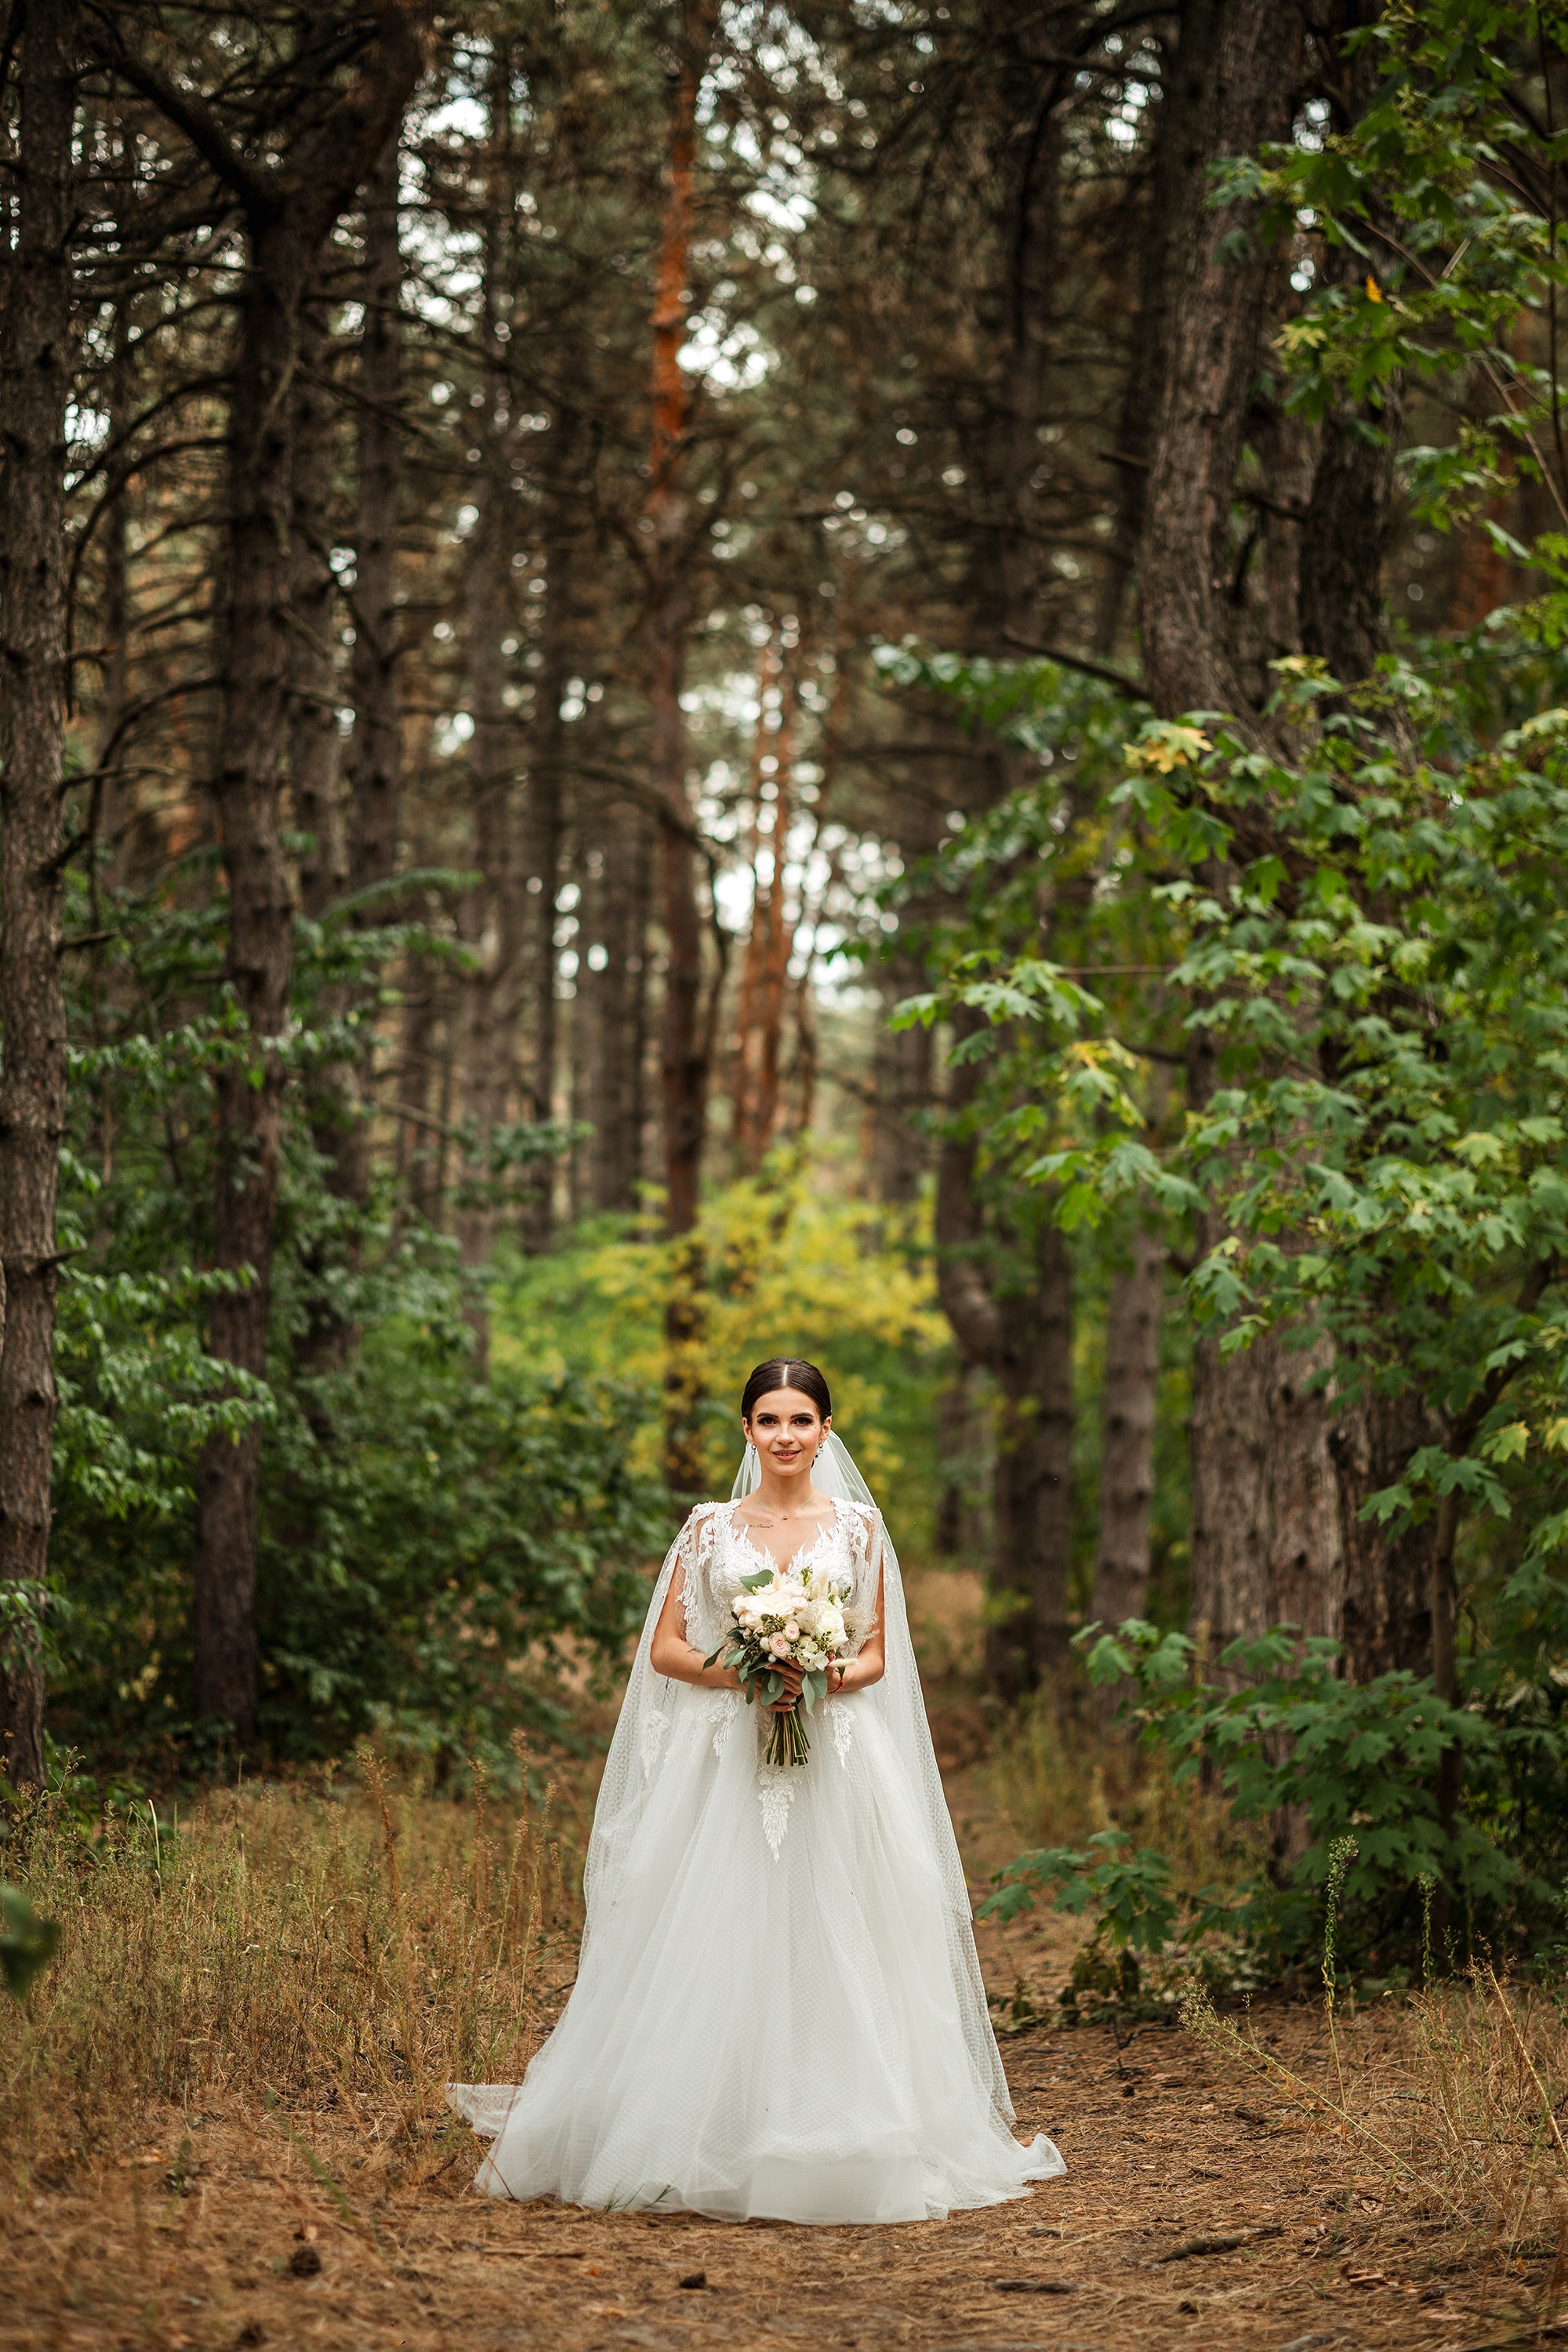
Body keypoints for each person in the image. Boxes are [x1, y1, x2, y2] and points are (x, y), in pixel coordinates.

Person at [448, 1356, 1065, 2225]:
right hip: (725, 1758)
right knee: (716, 1923)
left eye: (800, 1421)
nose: (784, 1436)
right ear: (745, 1430)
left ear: (824, 1431)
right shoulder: (706, 1530)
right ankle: (701, 2123)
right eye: (768, 1420)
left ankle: (841, 2122)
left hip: (833, 1757)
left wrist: (812, 1673)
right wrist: (748, 1677)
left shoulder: (859, 1530)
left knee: (836, 1924)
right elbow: (663, 1649)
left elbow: (879, 1656)